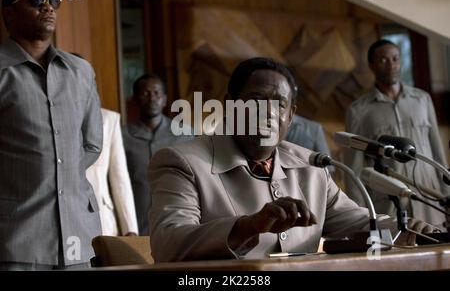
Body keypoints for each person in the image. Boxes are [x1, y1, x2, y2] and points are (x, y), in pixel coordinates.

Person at [148, 57, 431, 262]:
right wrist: (249, 226)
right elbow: (169, 244)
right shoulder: (182, 161)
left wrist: (408, 230)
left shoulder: (311, 166)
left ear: (290, 115)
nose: (268, 112)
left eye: (279, 104)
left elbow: (358, 222)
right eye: (256, 100)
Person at [0, 0, 103, 270]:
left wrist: (61, 169)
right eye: (36, 0)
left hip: (79, 236)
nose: (48, 7)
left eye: (54, 1)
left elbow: (92, 143)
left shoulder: (81, 71)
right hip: (15, 238)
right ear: (9, 14)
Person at [345, 39, 449, 229]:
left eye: (395, 59)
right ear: (372, 66)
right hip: (389, 204)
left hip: (429, 199)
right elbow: (354, 167)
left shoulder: (422, 100)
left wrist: (447, 194)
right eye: (383, 60)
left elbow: (437, 152)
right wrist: (360, 214)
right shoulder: (359, 111)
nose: (391, 65)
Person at [122, 73, 194, 235]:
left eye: (157, 93)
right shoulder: (121, 136)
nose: (152, 98)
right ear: (135, 99)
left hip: (179, 219)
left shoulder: (184, 133)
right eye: (145, 93)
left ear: (165, 99)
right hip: (137, 222)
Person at [86, 108, 139, 236]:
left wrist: (130, 227)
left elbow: (120, 177)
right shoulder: (58, 115)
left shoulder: (110, 119)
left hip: (103, 216)